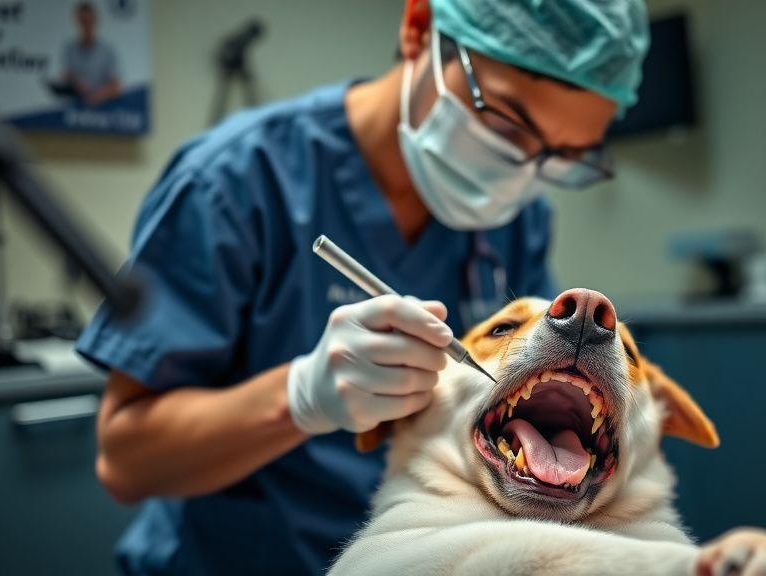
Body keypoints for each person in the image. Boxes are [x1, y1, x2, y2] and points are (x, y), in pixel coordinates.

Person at [76, 0, 649, 573]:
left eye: (563, 156)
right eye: (504, 122)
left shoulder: (519, 218)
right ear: (419, 29)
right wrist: (301, 397)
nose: (521, 171)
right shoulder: (236, 183)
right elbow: (126, 461)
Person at [62, 2, 121, 107]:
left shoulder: (107, 51)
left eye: (88, 21)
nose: (85, 26)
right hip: (75, 109)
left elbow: (116, 86)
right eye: (82, 22)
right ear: (77, 22)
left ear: (95, 21)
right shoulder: (69, 49)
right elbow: (65, 77)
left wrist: (95, 96)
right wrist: (75, 83)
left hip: (102, 111)